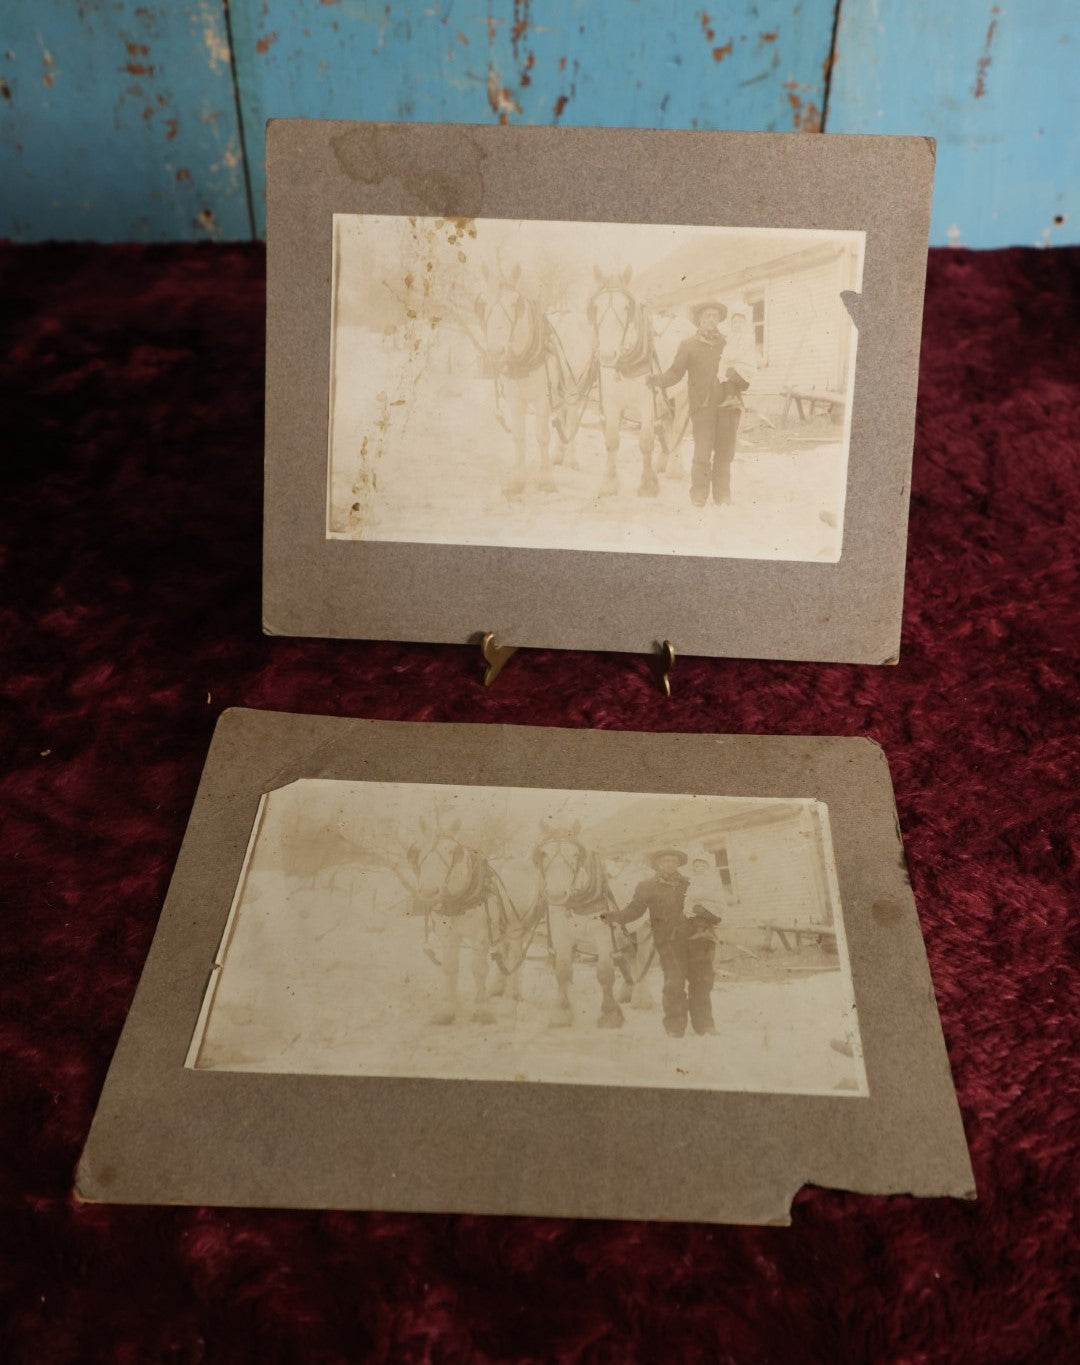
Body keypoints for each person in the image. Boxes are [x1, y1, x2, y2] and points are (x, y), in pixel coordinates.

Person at [604, 848, 717, 1037]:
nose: (669, 864)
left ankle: (704, 1025)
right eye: (665, 861)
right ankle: (675, 1027)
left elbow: (709, 903)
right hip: (669, 941)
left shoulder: (690, 884)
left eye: (673, 861)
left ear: (679, 864)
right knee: (674, 983)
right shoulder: (646, 886)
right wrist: (611, 917)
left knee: (701, 982)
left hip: (696, 939)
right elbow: (634, 910)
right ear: (658, 864)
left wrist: (709, 915)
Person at [646, 300, 740, 508]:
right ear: (699, 319)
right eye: (707, 315)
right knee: (702, 453)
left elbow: (742, 368)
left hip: (728, 405)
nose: (711, 319)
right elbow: (675, 373)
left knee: (725, 453)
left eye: (715, 316)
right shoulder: (688, 345)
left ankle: (723, 495)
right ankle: (699, 494)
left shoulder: (728, 344)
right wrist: (657, 380)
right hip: (702, 406)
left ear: (719, 320)